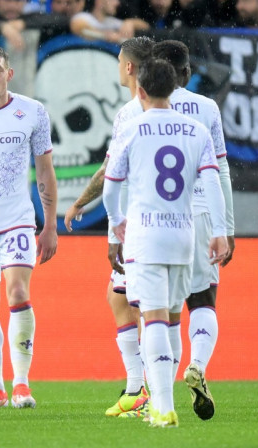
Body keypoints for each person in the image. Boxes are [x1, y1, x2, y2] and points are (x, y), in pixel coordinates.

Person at [103, 57, 228, 428]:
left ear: (140, 90)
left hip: (146, 233)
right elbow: (212, 183)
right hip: (184, 234)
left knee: (153, 317)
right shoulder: (196, 130)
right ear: (173, 89)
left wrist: (116, 222)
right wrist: (219, 230)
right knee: (174, 319)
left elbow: (112, 188)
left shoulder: (132, 127)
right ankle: (164, 398)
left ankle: (161, 405)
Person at [63, 36, 154, 418]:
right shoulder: (183, 108)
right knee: (126, 299)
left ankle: (143, 389)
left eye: (119, 61)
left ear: (130, 68)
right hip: (175, 218)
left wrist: (82, 202)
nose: (118, 66)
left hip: (139, 221)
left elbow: (110, 170)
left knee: (143, 305)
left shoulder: (131, 113)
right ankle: (141, 386)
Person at [0, 45, 58, 409]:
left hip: (17, 219)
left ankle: (21, 384)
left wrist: (49, 224)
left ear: (10, 73)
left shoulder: (32, 112)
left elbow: (45, 171)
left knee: (18, 293)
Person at [151, 39, 235, 421]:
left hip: (158, 217)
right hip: (202, 211)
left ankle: (163, 398)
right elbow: (220, 170)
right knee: (203, 300)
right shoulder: (206, 107)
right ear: (186, 73)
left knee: (164, 313)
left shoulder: (141, 108)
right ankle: (197, 364)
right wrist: (226, 227)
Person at [70, 0, 148, 44]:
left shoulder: (112, 22)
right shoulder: (85, 17)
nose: (117, 3)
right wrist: (105, 35)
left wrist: (130, 23)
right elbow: (77, 26)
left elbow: (146, 27)